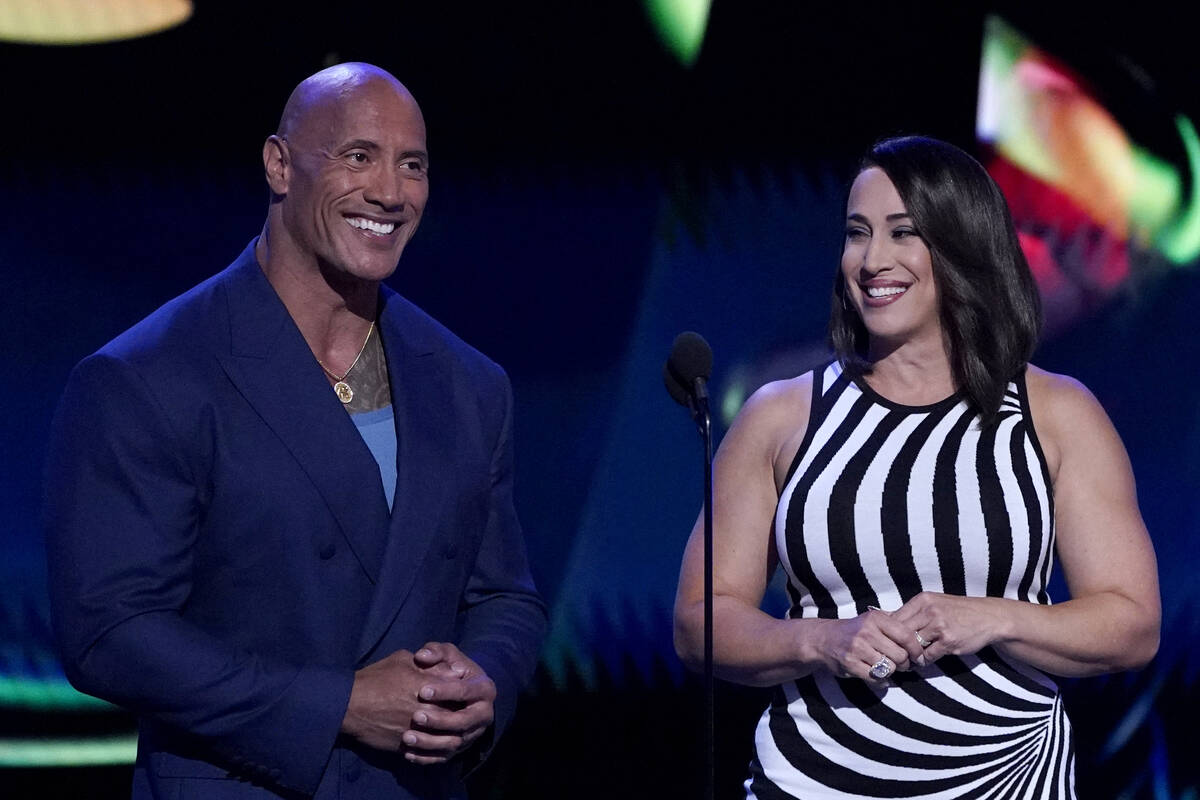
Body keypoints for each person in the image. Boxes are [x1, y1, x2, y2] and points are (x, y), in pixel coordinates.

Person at [44, 63, 547, 799]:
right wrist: (337, 706)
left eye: (413, 165)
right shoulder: (149, 376)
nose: (389, 192)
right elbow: (108, 632)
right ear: (279, 165)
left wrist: (485, 680)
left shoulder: (469, 384)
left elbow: (505, 595)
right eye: (358, 156)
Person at [673, 136, 1160, 798]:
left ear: (962, 245)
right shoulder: (782, 417)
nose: (872, 260)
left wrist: (992, 618)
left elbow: (1131, 624)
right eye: (856, 234)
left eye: (904, 234)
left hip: (1010, 784)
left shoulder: (1056, 414)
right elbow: (702, 621)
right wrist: (823, 640)